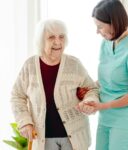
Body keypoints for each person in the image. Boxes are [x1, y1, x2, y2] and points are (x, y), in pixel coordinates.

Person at [10, 19, 99, 150]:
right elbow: (17, 96)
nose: (57, 42)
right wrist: (24, 122)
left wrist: (89, 101)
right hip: (42, 139)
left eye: (61, 37)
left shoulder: (74, 64)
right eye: (51, 37)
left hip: (74, 139)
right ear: (41, 41)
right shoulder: (30, 66)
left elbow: (92, 89)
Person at [76, 0, 128, 150]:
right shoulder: (106, 43)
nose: (97, 31)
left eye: (100, 26)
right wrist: (90, 88)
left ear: (114, 22)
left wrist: (104, 105)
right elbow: (106, 79)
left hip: (125, 121)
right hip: (105, 118)